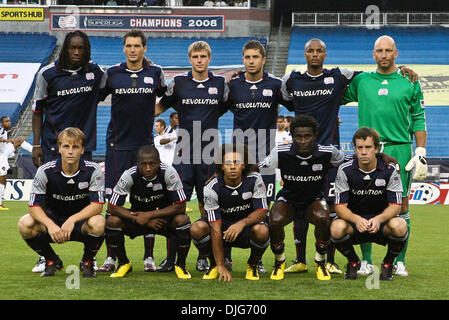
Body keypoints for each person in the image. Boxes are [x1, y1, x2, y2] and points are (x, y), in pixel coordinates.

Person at [280, 38, 417, 275]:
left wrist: (401, 68)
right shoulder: (293, 79)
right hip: (301, 153)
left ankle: (330, 260)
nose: (314, 55)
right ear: (304, 55)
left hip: (330, 155)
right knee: (299, 204)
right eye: (310, 51)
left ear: (325, 54)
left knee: (334, 208)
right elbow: (280, 95)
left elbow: (377, 74)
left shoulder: (339, 76)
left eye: (319, 51)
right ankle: (300, 259)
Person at [342, 35, 427, 277]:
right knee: (363, 202)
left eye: (388, 50)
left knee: (401, 205)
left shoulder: (409, 81)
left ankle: (399, 261)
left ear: (396, 53)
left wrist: (420, 150)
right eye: (379, 50)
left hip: (400, 148)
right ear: (373, 54)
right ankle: (366, 261)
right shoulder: (362, 80)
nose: (384, 55)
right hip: (369, 149)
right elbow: (334, 97)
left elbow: (419, 117)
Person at [31, 30, 103, 273]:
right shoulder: (48, 74)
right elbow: (37, 109)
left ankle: (88, 257)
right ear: (65, 48)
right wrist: (37, 144)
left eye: (80, 48)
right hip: (53, 147)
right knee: (48, 203)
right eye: (72, 47)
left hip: (84, 149)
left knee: (87, 202)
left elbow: (115, 85)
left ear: (86, 50)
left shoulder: (96, 73)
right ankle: (46, 256)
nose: (75, 52)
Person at [156, 40, 229, 273]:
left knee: (207, 207)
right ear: (190, 59)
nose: (199, 60)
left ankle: (203, 256)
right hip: (183, 153)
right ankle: (171, 258)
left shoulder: (219, 83)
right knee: (176, 206)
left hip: (209, 155)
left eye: (203, 56)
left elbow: (226, 106)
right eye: (195, 56)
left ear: (209, 58)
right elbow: (159, 107)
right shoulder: (179, 83)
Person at [98, 29, 167, 273]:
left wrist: (153, 113)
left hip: (145, 148)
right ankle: (111, 257)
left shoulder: (155, 73)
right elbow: (94, 97)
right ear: (124, 48)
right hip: (117, 145)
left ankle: (148, 257)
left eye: (137, 45)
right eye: (129, 45)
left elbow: (168, 97)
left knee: (149, 202)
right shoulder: (113, 73)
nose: (133, 49)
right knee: (112, 202)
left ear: (144, 48)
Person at [226, 40, 287, 273]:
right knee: (231, 206)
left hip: (267, 160)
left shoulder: (275, 85)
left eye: (255, 57)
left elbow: (296, 104)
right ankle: (227, 257)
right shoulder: (234, 86)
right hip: (238, 159)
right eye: (247, 57)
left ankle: (257, 259)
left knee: (264, 212)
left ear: (263, 60)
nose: (251, 61)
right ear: (243, 60)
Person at [261, 114, 346, 281]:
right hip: (288, 200)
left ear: (314, 136)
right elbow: (258, 166)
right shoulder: (281, 152)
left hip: (313, 200)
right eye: (298, 136)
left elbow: (350, 160)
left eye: (307, 136)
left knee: (324, 217)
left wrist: (381, 157)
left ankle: (320, 262)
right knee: (274, 220)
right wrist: (219, 172)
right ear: (292, 136)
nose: (302, 140)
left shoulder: (327, 152)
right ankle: (280, 262)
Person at [17, 127, 105, 278]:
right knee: (24, 223)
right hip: (53, 222)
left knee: (99, 222)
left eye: (75, 147)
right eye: (66, 146)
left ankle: (87, 261)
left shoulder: (93, 170)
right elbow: (33, 206)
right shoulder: (45, 170)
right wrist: (50, 225)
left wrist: (72, 220)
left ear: (82, 150)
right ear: (59, 149)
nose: (70, 151)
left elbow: (97, 205)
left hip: (80, 223)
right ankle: (51, 259)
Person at [331, 127, 408, 281]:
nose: (364, 152)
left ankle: (388, 264)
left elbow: (396, 205)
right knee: (336, 228)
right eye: (360, 148)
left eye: (368, 147)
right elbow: (339, 207)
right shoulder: (345, 170)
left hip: (381, 223)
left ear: (376, 148)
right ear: (355, 149)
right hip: (355, 223)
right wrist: (356, 219)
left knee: (400, 225)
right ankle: (353, 262)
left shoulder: (389, 169)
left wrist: (379, 219)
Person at [106, 145, 192, 279]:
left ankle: (180, 265)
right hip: (137, 219)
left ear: (159, 162)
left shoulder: (168, 172)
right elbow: (112, 207)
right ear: (138, 163)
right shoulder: (129, 175)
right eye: (143, 164)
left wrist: (149, 215)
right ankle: (123, 263)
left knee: (182, 220)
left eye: (152, 164)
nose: (148, 168)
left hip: (162, 220)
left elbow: (181, 206)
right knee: (112, 220)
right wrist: (136, 218)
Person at [190, 144, 269, 281]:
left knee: (262, 231)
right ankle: (214, 264)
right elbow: (215, 227)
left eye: (236, 162)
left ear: (243, 165)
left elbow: (262, 211)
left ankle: (253, 264)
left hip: (246, 228)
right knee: (197, 229)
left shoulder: (255, 179)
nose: (232, 166)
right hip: (221, 229)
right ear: (221, 166)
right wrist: (221, 264)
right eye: (227, 163)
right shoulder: (211, 187)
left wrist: (241, 224)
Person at [0, 116, 33, 210]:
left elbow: (4, 135)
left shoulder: (3, 130)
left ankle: (35, 151)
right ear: (2, 123)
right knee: (2, 179)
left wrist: (10, 131)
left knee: (20, 140)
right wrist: (6, 140)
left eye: (9, 121)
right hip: (1, 155)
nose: (9, 123)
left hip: (5, 152)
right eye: (6, 121)